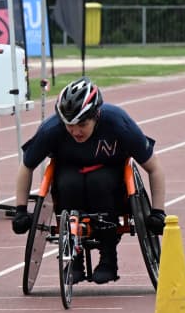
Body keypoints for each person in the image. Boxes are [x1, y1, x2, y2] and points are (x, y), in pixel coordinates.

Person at [9, 78, 168, 284]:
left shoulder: (118, 123)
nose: (75, 131)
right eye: (69, 126)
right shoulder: (52, 129)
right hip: (69, 180)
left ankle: (108, 259)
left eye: (82, 124)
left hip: (111, 181)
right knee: (68, 183)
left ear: (96, 116)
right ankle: (73, 261)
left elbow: (154, 167)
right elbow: (26, 166)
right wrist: (21, 210)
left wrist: (157, 212)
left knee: (98, 182)